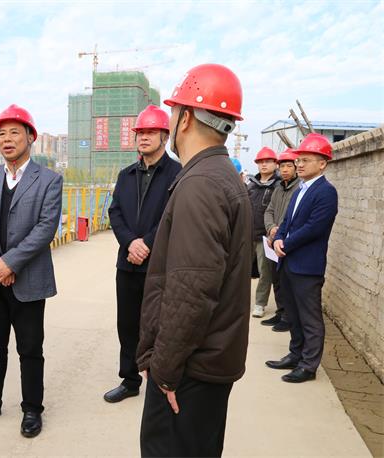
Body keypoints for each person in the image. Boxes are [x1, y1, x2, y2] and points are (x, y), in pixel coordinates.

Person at [136, 63, 251, 457]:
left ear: (184, 118)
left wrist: (165, 372)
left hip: (189, 372)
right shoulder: (221, 175)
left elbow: (191, 291)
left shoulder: (200, 184)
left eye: (173, 112)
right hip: (208, 365)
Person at [0, 104, 63, 438]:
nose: (7, 139)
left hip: (28, 280)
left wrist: (10, 263)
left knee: (30, 349)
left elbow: (45, 228)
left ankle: (32, 409)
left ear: (30, 137)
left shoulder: (49, 180)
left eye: (14, 133)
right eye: (2, 134)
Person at [104, 105, 181, 403]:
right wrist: (130, 243)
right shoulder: (126, 175)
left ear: (165, 136)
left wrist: (146, 243)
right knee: (127, 324)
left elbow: (171, 215)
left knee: (159, 324)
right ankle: (130, 379)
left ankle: (160, 380)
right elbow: (115, 212)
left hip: (159, 263)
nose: (144, 137)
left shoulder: (177, 174)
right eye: (140, 133)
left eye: (150, 132)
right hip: (127, 263)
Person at [266, 133, 338, 383]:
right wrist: (278, 238)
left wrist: (285, 243)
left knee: (309, 318)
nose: (299, 164)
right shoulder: (300, 190)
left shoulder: (326, 192)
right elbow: (287, 221)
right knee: (293, 314)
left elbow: (314, 227)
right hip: (288, 262)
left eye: (306, 160)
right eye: (299, 160)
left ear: (322, 163)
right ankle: (295, 354)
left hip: (307, 267)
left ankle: (308, 365)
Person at [262, 148, 300, 332]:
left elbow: (294, 217)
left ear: (296, 167)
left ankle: (288, 317)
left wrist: (280, 233)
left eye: (289, 166)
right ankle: (280, 311)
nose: (285, 170)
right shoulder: (278, 189)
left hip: (287, 242)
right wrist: (271, 228)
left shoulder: (299, 189)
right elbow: (269, 211)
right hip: (274, 240)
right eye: (282, 166)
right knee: (276, 280)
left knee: (287, 281)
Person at [248, 147, 280, 318]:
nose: (264, 165)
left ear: (275, 164)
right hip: (247, 235)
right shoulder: (251, 185)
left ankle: (260, 304)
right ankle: (240, 301)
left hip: (265, 237)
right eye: (260, 162)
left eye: (268, 161)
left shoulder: (278, 186)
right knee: (241, 271)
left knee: (264, 272)